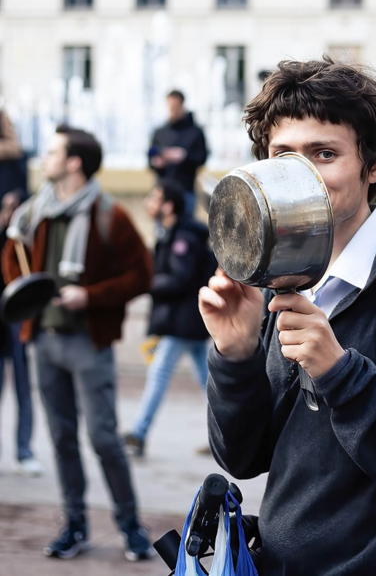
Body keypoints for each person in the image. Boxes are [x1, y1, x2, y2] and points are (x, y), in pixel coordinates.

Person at [199, 58, 376, 575]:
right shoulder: (283, 277)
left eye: (325, 153)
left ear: (373, 164)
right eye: (283, 155)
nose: (302, 174)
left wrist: (339, 373)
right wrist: (236, 353)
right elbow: (243, 458)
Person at [1, 125, 153, 561]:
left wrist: (89, 296)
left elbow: (141, 274)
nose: (44, 158)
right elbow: (12, 257)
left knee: (104, 438)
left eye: (52, 152)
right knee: (62, 438)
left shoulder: (109, 214)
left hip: (89, 342)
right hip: (43, 341)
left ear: (74, 163)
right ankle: (75, 526)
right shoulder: (35, 211)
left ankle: (131, 527)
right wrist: (25, 294)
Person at [123, 178, 214, 458]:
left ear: (168, 206)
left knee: (160, 373)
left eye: (154, 199)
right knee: (209, 381)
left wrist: (147, 282)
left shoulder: (183, 237)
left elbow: (179, 278)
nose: (148, 204)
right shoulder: (171, 231)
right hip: (188, 321)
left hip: (183, 322)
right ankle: (230, 434)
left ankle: (138, 433)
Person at [0, 189, 42, 476]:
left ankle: (24, 450)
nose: (8, 213)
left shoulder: (23, 238)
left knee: (23, 386)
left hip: (17, 319)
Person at [148, 89, 209, 215]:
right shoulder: (160, 132)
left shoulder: (195, 132)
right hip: (162, 192)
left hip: (185, 191)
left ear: (182, 105)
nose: (173, 110)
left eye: (175, 106)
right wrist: (157, 163)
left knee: (184, 230)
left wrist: (184, 156)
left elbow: (202, 158)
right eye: (170, 107)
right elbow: (150, 159)